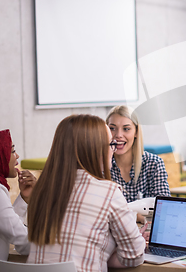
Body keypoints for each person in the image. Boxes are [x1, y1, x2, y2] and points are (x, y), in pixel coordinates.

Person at [27, 114, 145, 271]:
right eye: (111, 144)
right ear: (94, 149)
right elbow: (134, 256)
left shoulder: (41, 190)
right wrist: (104, 255)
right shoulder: (108, 192)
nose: (113, 150)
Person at [106, 105, 170, 203]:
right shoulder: (100, 165)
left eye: (126, 129)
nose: (118, 135)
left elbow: (163, 207)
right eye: (112, 128)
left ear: (136, 132)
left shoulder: (153, 163)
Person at [0, 129, 37, 260]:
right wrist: (58, 246)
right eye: (12, 151)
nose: (17, 156)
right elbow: (21, 240)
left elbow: (5, 226)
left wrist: (24, 199)